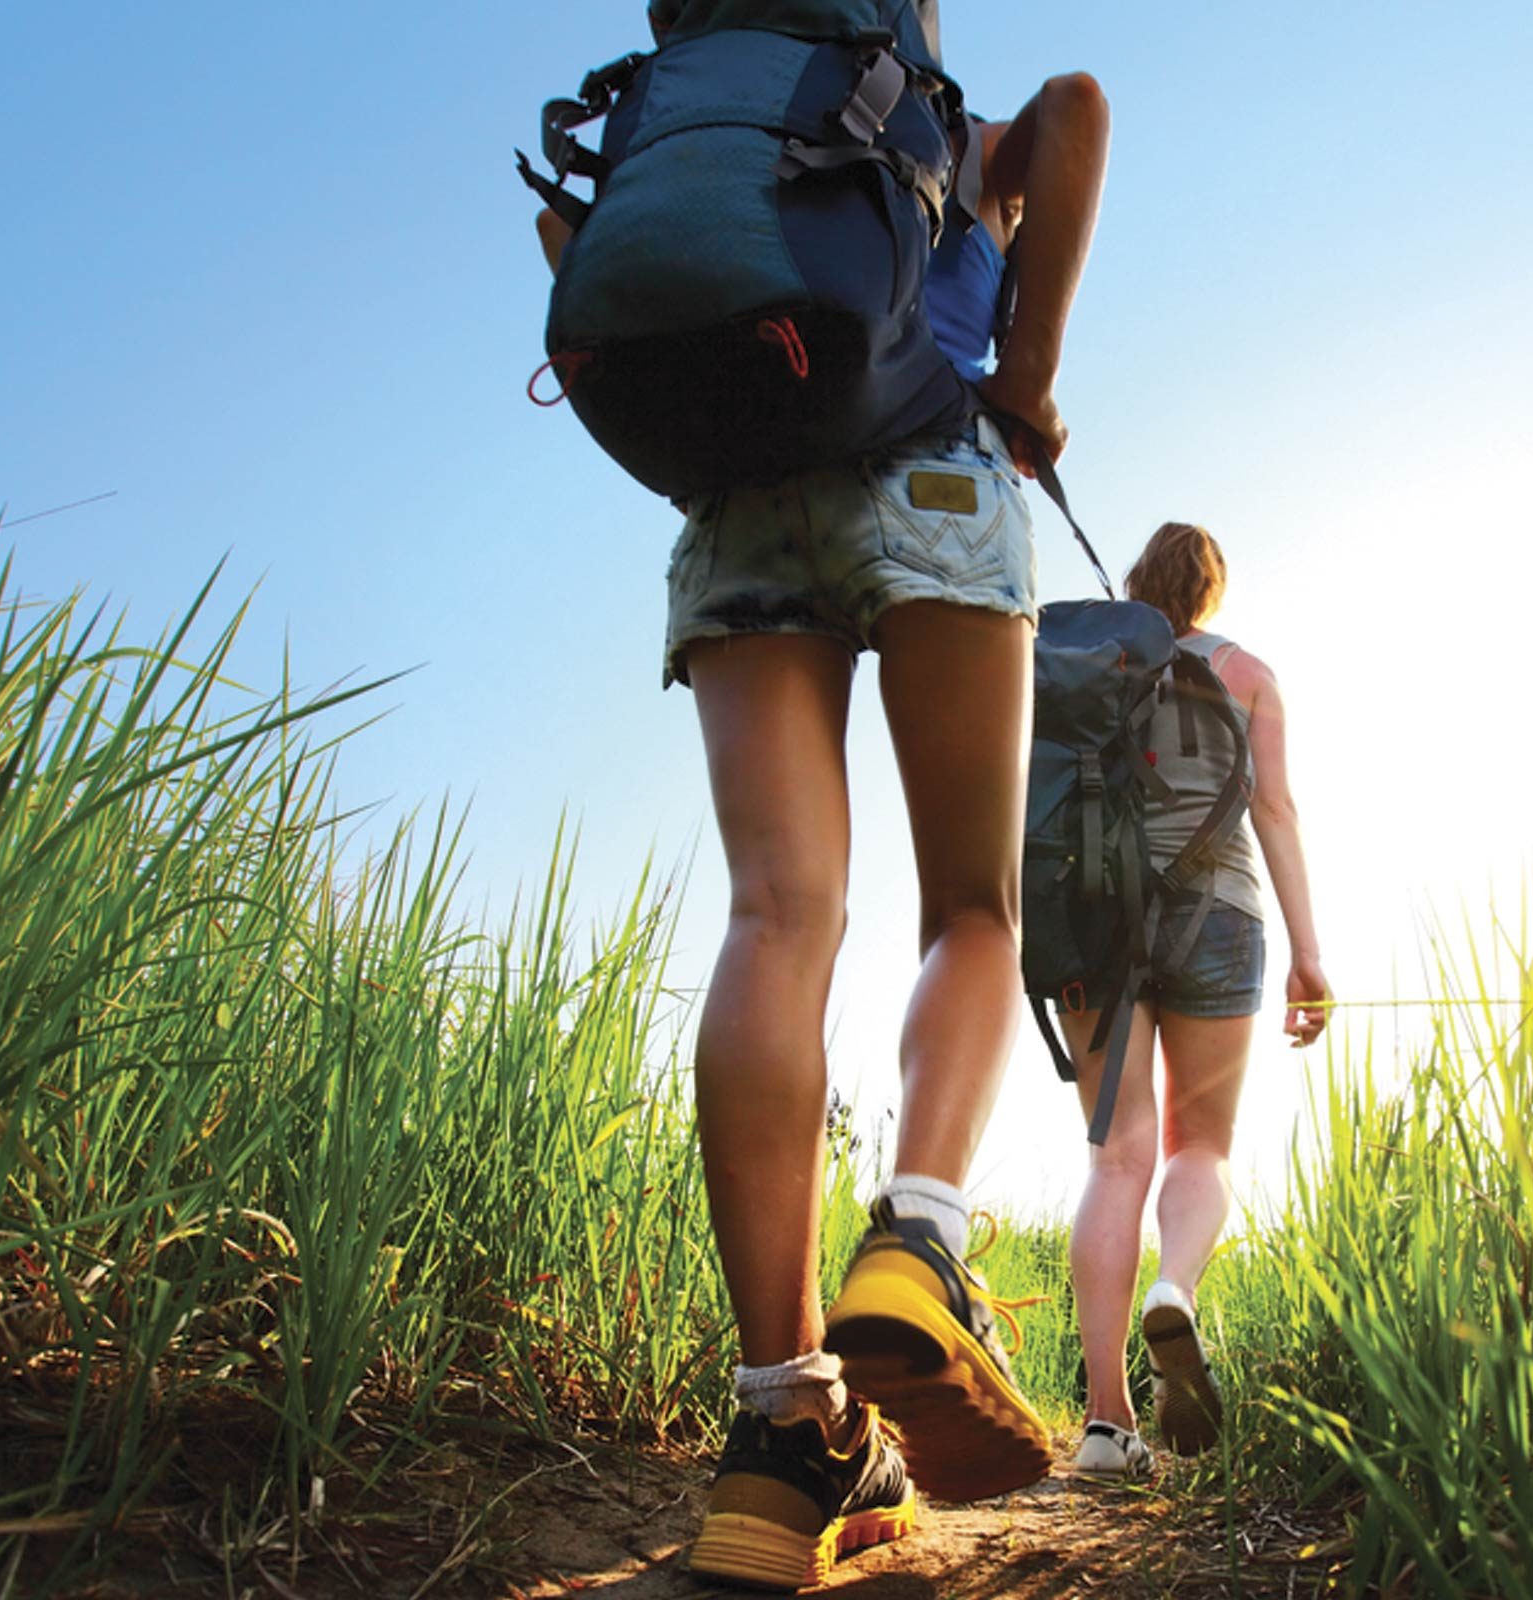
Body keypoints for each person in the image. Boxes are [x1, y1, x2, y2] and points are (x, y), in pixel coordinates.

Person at [535, 6, 1110, 1588]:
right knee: (976, 908)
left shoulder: (681, 112)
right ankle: (920, 1245)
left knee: (778, 913)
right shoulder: (917, 120)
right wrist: (1033, 375)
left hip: (735, 504)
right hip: (931, 466)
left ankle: (787, 1432)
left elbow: (568, 245)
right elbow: (1075, 109)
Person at [1057, 522, 1331, 1482]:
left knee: (1115, 1157)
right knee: (1198, 1146)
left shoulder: (1086, 659)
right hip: (1220, 914)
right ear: (1211, 591)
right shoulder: (1248, 671)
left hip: (1093, 919)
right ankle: (1173, 1286)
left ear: (1136, 580)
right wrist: (1309, 955)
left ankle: (1105, 1425)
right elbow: (1277, 812)